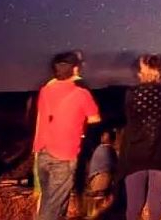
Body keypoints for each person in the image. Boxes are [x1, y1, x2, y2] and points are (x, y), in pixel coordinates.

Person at [34, 52, 101, 220]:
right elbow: (95, 118)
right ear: (75, 69)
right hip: (63, 155)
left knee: (52, 200)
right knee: (52, 207)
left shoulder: (44, 91)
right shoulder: (81, 93)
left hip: (42, 152)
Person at [120, 54, 161, 220]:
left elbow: (131, 119)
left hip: (135, 153)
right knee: (156, 205)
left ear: (141, 72)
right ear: (160, 72)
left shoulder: (130, 94)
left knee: (133, 207)